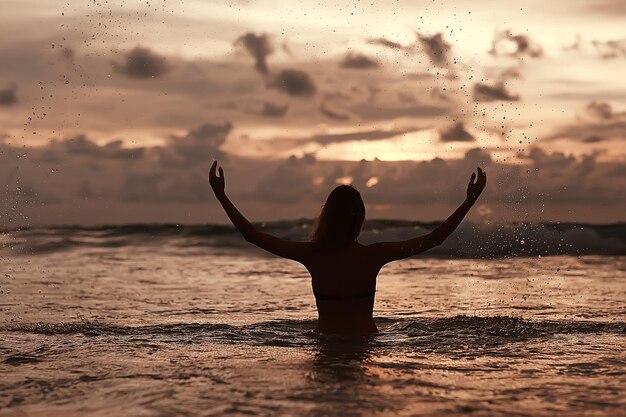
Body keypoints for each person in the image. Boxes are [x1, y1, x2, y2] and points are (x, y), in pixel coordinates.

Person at [209, 161, 486, 335]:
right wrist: (468, 202)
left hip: (326, 346)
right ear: (360, 219)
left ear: (327, 215)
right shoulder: (372, 256)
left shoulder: (312, 255)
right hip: (366, 344)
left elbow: (252, 236)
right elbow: (435, 238)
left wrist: (221, 195)